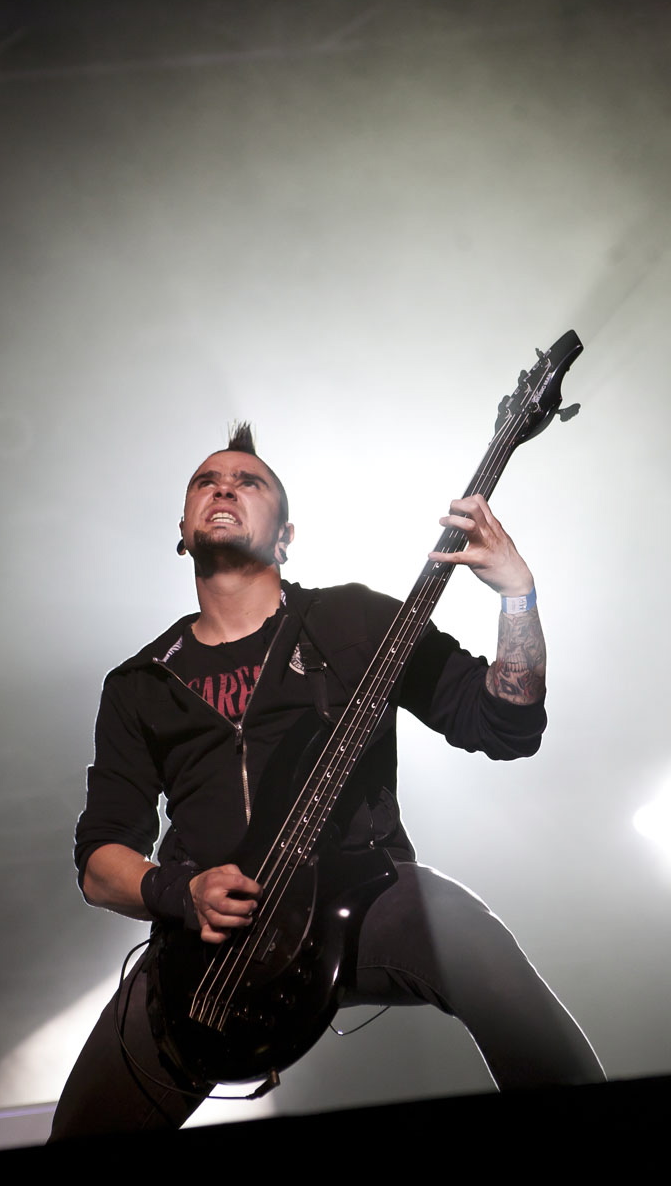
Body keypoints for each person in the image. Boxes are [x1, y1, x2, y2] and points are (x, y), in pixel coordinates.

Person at [49, 423, 604, 1140]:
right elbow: (100, 863)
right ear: (182, 533)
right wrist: (180, 893)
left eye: (249, 482)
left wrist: (517, 597)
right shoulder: (139, 683)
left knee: (471, 941)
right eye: (206, 481)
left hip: (361, 895)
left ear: (285, 538)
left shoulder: (354, 620)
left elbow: (505, 725)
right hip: (203, 946)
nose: (224, 488)